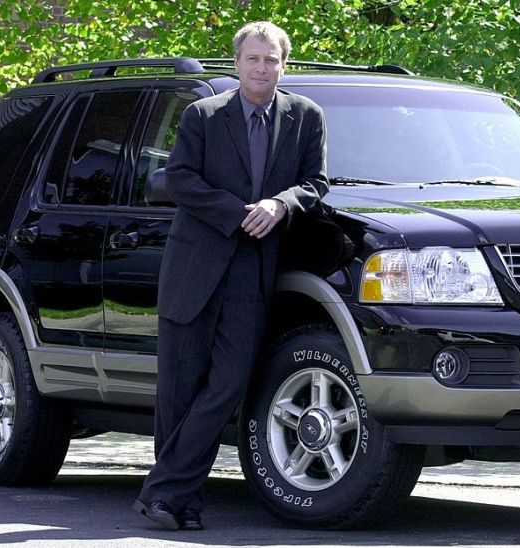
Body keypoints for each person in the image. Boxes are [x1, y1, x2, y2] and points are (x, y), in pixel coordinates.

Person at [132, 21, 328, 530]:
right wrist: (237, 210)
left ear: (284, 64)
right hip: (195, 266)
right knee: (179, 389)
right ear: (237, 63)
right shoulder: (203, 114)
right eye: (253, 59)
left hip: (253, 268)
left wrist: (279, 205)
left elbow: (315, 183)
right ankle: (180, 501)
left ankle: (162, 491)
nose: (262, 68)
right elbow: (179, 178)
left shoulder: (306, 117)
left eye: (272, 60)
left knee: (227, 386)